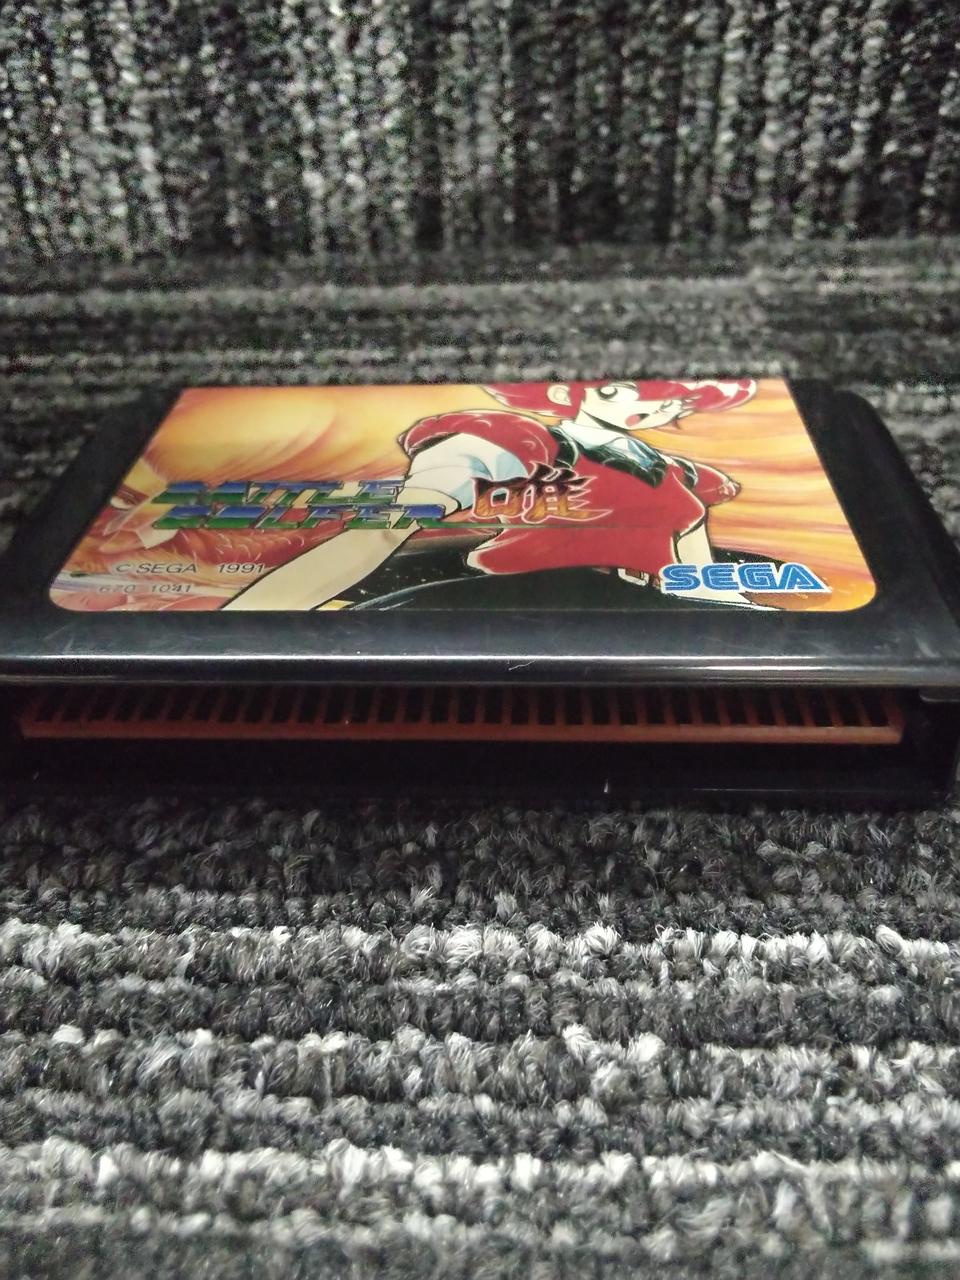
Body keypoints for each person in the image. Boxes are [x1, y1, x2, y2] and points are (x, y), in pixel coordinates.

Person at [222, 378, 764, 611]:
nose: (654, 407)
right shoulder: (519, 440)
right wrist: (254, 619)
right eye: (620, 391)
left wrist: (758, 625)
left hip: (636, 614)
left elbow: (698, 573)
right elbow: (386, 528)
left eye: (675, 401)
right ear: (564, 392)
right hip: (511, 599)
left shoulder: (680, 474)